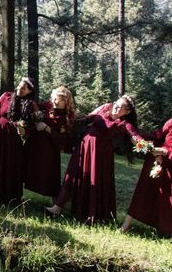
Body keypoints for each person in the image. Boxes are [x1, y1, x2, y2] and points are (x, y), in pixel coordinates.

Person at [46, 95, 142, 225]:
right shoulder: (106, 107)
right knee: (73, 175)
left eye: (120, 108)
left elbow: (136, 136)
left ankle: (91, 214)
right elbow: (88, 118)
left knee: (94, 181)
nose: (115, 108)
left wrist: (143, 143)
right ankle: (57, 208)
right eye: (116, 104)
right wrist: (69, 120)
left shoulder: (125, 124)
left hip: (100, 155)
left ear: (127, 111)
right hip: (85, 146)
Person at [0, 77, 39, 205]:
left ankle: (7, 197)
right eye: (20, 86)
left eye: (24, 88)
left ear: (29, 91)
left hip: (14, 138)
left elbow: (32, 125)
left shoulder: (30, 104)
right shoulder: (6, 95)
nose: (21, 89)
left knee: (9, 165)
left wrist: (24, 129)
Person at [121, 118, 172, 235]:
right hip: (158, 160)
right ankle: (125, 225)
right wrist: (141, 139)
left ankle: (164, 227)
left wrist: (165, 152)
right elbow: (158, 135)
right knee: (143, 191)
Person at [24, 85, 75, 200]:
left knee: (49, 176)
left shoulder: (66, 118)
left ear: (66, 102)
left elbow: (62, 140)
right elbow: (35, 107)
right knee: (28, 169)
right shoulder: (48, 105)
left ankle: (56, 204)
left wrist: (46, 127)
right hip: (35, 144)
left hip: (50, 151)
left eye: (61, 100)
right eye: (56, 98)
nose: (57, 102)